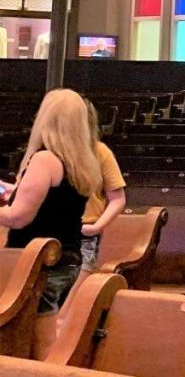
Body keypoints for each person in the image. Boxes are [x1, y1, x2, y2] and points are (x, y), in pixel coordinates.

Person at [0, 89, 102, 359]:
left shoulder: (45, 159)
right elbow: (55, 204)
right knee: (38, 338)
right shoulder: (80, 162)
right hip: (67, 260)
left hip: (39, 263)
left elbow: (19, 216)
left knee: (43, 342)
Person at [59, 100, 126, 320]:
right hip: (50, 233)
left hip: (83, 235)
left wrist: (97, 226)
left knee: (67, 312)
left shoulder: (100, 152)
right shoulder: (50, 152)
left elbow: (117, 198)